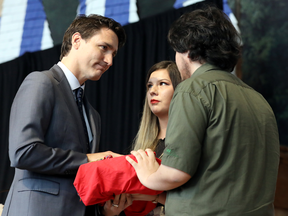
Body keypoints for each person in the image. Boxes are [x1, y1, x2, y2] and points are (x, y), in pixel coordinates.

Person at [126, 5, 280, 216]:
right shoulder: (259, 100)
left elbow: (175, 172)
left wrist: (148, 175)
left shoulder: (192, 89)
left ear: (187, 47)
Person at [2, 14, 131, 216]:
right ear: (77, 40)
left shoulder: (93, 115)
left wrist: (103, 209)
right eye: (104, 48)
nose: (109, 61)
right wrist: (90, 159)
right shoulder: (41, 82)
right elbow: (23, 152)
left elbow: (77, 179)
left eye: (113, 53)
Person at [130, 61, 181, 215]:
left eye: (163, 83)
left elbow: (194, 199)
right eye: (150, 86)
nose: (153, 91)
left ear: (180, 90)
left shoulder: (186, 141)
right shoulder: (143, 145)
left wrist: (157, 197)